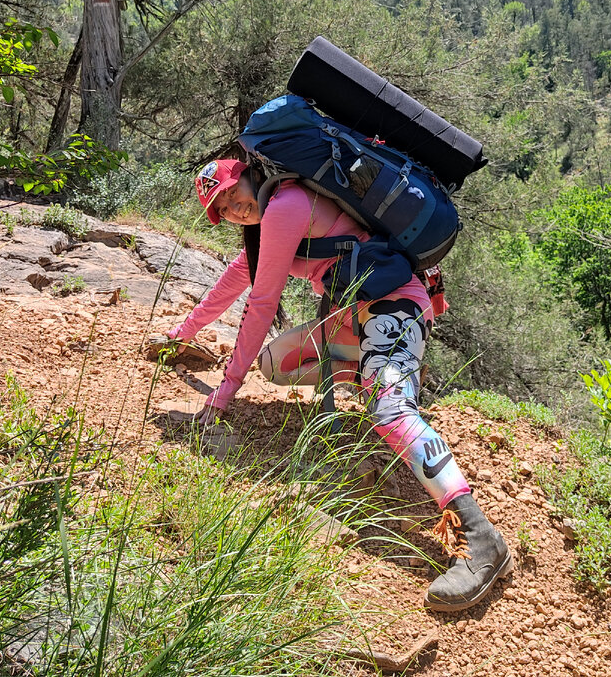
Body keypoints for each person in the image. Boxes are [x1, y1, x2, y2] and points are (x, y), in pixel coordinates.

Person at [166, 158, 512, 612]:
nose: (233, 206)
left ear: (251, 174)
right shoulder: (269, 226)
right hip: (351, 320)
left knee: (390, 412)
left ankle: (482, 540)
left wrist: (227, 389)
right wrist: (179, 336)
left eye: (232, 191)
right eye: (221, 208)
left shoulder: (286, 205)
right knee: (276, 363)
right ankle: (376, 377)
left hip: (395, 307)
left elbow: (263, 304)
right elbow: (232, 284)